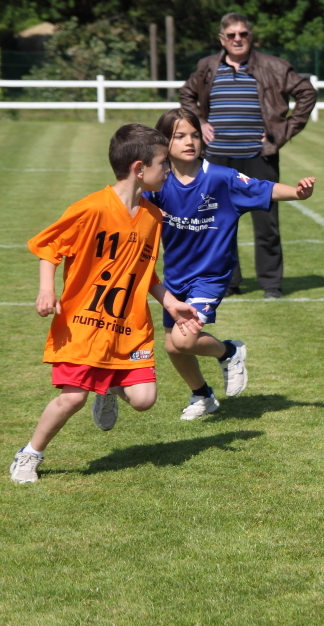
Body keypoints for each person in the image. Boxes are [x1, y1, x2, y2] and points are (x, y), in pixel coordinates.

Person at [10, 124, 204, 484]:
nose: (168, 169)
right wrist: (47, 290)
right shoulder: (92, 208)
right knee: (73, 399)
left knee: (144, 399)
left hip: (129, 327)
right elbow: (49, 247)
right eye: (163, 162)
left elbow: (144, 272)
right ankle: (30, 454)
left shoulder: (152, 217)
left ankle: (109, 388)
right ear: (139, 168)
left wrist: (171, 303)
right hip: (83, 324)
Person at [145, 107, 315, 420]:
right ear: (163, 142)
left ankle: (230, 352)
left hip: (210, 276)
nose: (189, 142)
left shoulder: (221, 178)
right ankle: (202, 395)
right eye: (179, 136)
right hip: (176, 276)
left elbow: (264, 188)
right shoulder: (158, 183)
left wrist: (297, 193)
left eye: (194, 135)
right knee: (172, 347)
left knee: (184, 339)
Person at [179, 12, 317, 299]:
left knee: (267, 224)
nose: (238, 39)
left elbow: (306, 93)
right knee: (218, 222)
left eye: (243, 34)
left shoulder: (274, 66)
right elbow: (186, 95)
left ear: (250, 37)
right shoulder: (207, 67)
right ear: (222, 39)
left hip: (259, 155)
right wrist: (200, 122)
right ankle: (229, 282)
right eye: (231, 35)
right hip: (217, 158)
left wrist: (282, 132)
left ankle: (271, 285)